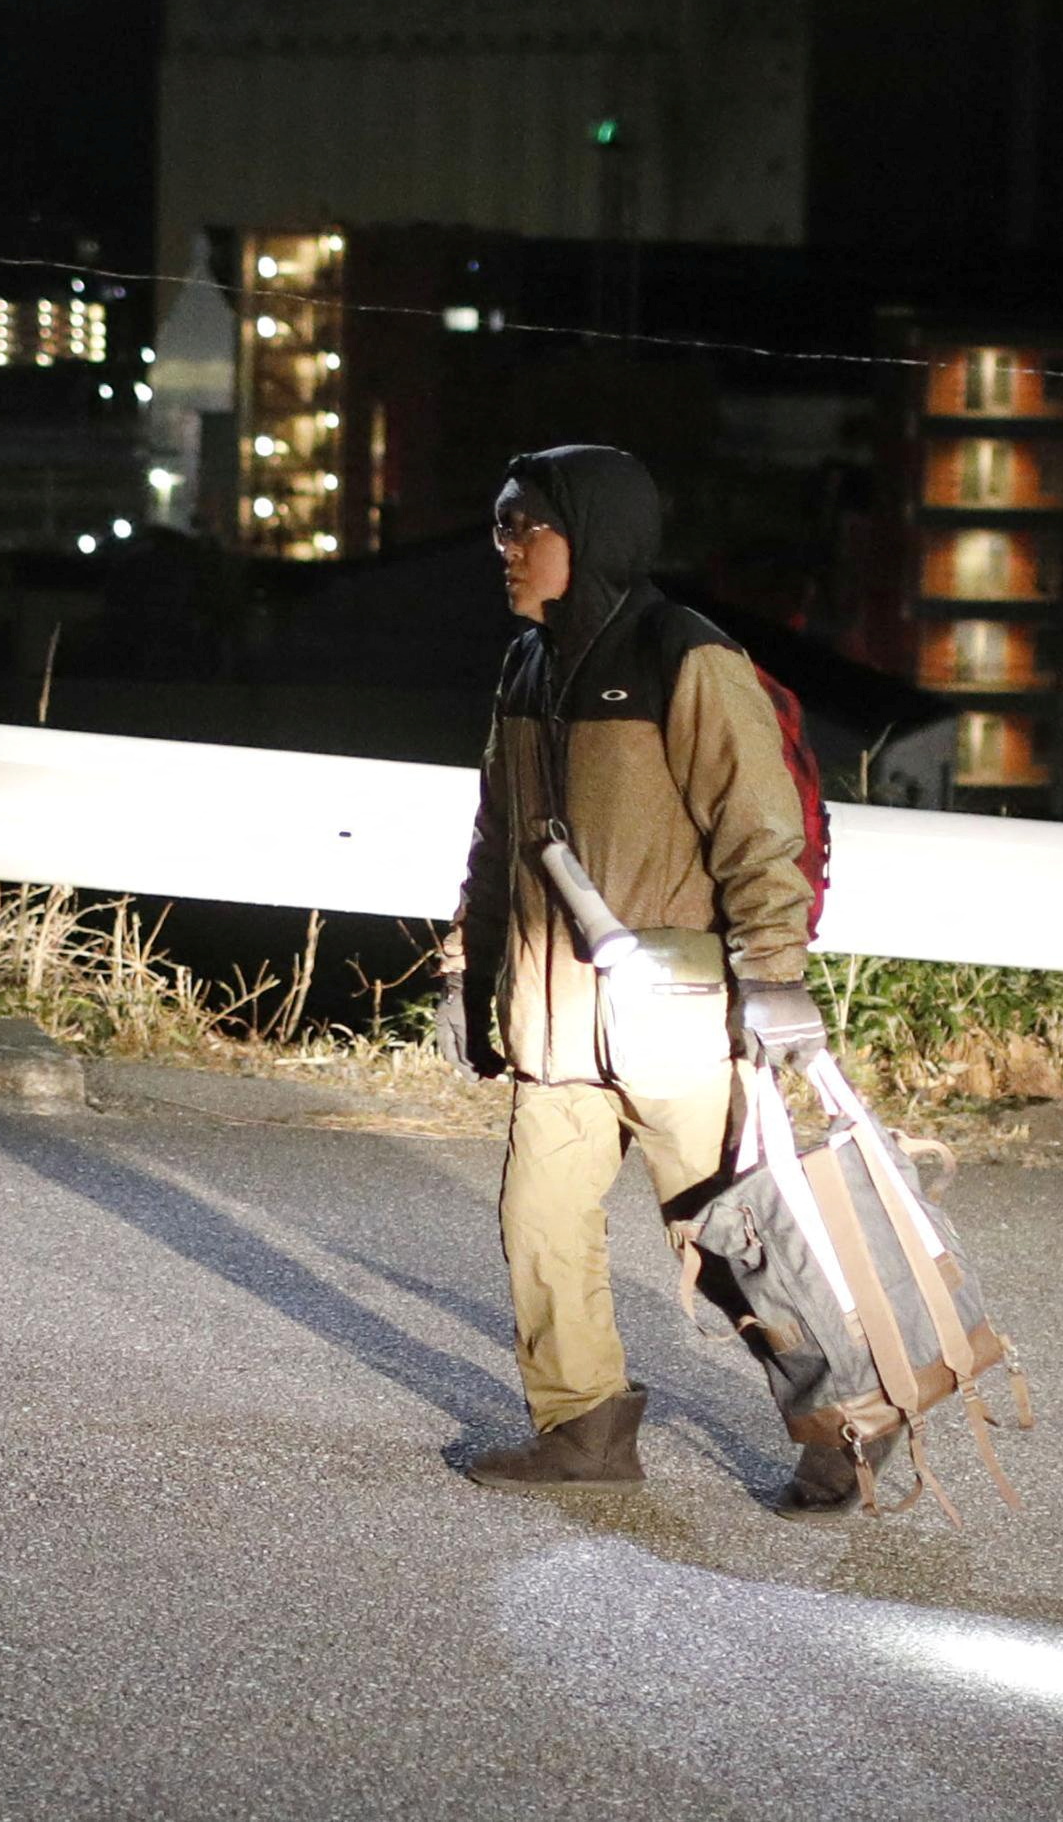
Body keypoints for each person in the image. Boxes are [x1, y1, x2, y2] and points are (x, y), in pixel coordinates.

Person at [447, 446, 838, 1498]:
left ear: (593, 530)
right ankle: (582, 1432)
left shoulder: (684, 654)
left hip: (672, 1018)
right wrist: (475, 980)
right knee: (539, 1226)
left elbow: (758, 832)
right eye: (497, 526)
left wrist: (772, 980)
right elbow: (497, 841)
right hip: (553, 1021)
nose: (505, 549)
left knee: (726, 1239)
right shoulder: (526, 666)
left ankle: (842, 1417)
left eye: (522, 525)